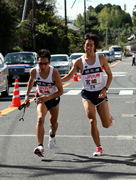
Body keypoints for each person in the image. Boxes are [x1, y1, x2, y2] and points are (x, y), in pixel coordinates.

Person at [61, 33, 113, 156]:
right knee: (91, 120)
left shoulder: (101, 59)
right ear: (83, 46)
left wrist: (105, 89)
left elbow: (110, 75)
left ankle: (109, 118)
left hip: (100, 93)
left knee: (105, 124)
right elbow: (69, 76)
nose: (88, 47)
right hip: (87, 94)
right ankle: (98, 147)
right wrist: (57, 80)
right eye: (86, 45)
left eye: (91, 45)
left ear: (94, 47)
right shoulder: (79, 62)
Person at [24, 49, 63, 157]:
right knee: (40, 118)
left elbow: (60, 91)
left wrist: (48, 97)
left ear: (49, 63)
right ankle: (40, 146)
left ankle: (52, 134)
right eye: (40, 63)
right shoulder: (34, 71)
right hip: (41, 98)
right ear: (37, 62)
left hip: (53, 98)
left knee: (53, 124)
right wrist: (27, 96)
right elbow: (31, 81)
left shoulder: (54, 73)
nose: (42, 66)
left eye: (45, 63)